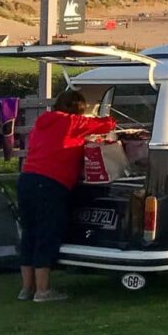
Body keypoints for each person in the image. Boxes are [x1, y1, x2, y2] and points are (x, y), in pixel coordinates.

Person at [17, 89, 116, 303]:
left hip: (27, 180)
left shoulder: (42, 121)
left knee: (29, 234)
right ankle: (43, 292)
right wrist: (97, 118)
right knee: (47, 233)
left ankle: (27, 289)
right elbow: (108, 124)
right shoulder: (72, 123)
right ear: (78, 109)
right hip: (51, 183)